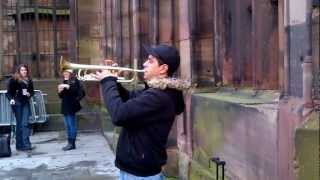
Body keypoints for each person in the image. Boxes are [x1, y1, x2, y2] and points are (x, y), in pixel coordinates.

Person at [94, 44, 190, 179]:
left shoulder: (158, 97)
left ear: (163, 68)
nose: (144, 64)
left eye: (150, 61)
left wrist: (107, 81)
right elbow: (129, 100)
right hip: (138, 169)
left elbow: (119, 115)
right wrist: (114, 82)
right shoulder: (156, 92)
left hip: (139, 173)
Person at [7, 64, 35, 151]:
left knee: (25, 123)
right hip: (17, 103)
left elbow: (32, 91)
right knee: (20, 124)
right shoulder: (14, 80)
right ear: (19, 71)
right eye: (22, 70)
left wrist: (29, 94)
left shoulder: (29, 80)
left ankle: (26, 144)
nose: (24, 71)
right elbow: (8, 92)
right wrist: (11, 99)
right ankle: (20, 145)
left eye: (25, 70)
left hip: (25, 102)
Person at [58, 68, 84, 151]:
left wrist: (66, 86)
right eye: (64, 72)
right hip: (65, 105)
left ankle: (72, 144)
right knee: (67, 125)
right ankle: (69, 142)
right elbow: (61, 96)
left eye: (67, 72)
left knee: (71, 125)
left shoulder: (74, 80)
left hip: (71, 105)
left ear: (70, 72)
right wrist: (59, 91)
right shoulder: (64, 81)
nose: (65, 73)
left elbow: (75, 90)